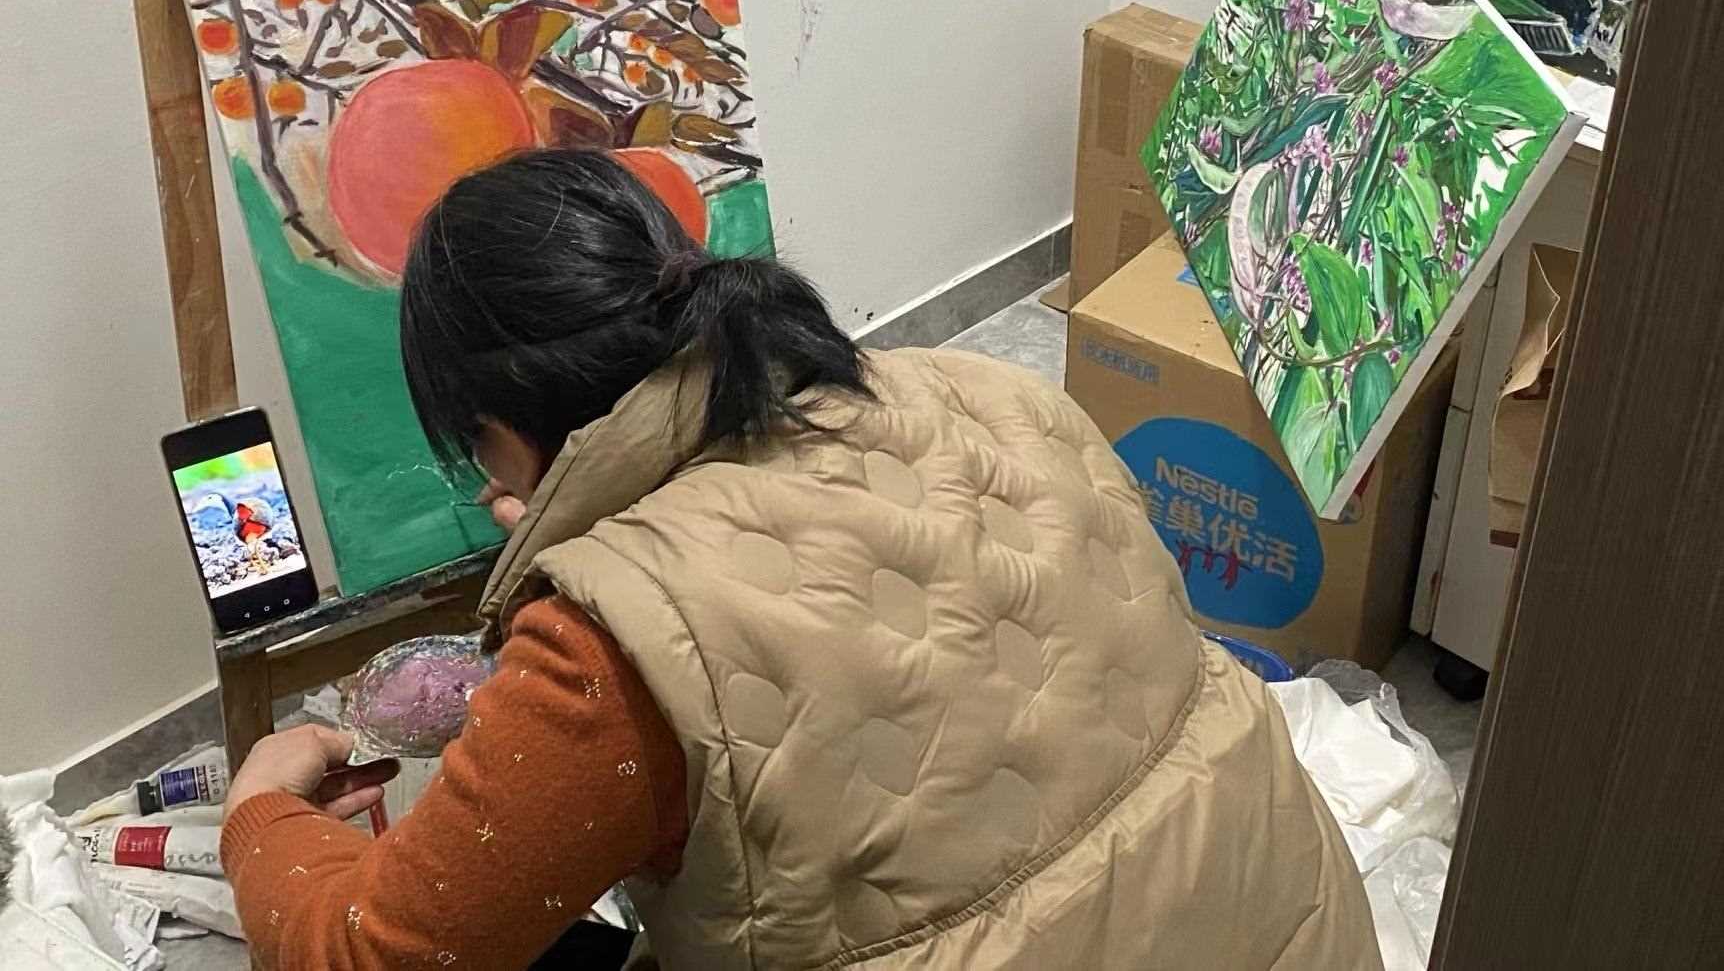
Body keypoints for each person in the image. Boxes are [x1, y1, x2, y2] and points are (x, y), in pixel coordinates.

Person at [220, 148, 1381, 970]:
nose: (482, 490)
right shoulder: (987, 388)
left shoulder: (603, 648)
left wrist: (262, 811)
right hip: (1287, 923)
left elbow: (373, 954)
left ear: (503, 426)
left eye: (474, 451)